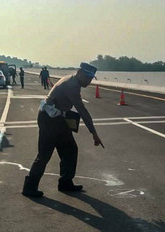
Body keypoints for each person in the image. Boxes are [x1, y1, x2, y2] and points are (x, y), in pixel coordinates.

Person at [23, 62, 104, 198]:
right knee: (44, 154)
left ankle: (65, 182)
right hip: (49, 119)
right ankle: (29, 187)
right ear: (79, 73)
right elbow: (82, 111)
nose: (89, 81)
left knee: (70, 150)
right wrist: (94, 134)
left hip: (57, 117)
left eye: (91, 78)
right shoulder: (71, 85)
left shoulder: (71, 80)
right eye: (87, 77)